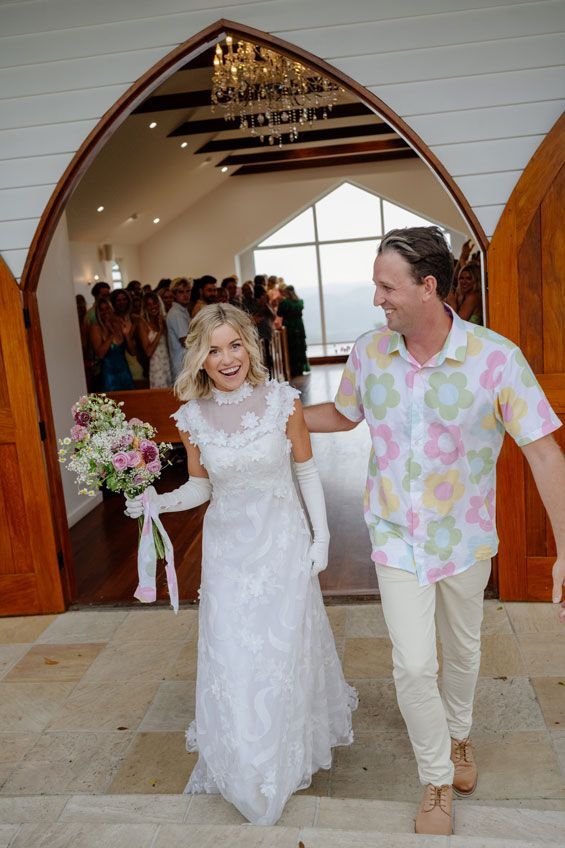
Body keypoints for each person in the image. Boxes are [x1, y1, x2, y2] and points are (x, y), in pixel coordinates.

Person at [303, 226, 565, 836]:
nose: (377, 299)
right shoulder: (370, 353)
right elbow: (343, 416)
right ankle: (437, 778)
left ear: (428, 287)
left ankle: (460, 736)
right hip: (395, 534)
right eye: (374, 285)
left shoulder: (495, 359)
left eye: (386, 287)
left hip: (466, 537)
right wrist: (267, 413)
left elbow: (546, 454)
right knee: (415, 664)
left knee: (464, 651)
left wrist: (563, 547)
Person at [125, 304, 356, 825]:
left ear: (250, 348)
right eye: (213, 348)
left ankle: (280, 758)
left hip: (282, 547)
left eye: (235, 345)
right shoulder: (190, 416)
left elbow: (308, 472)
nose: (227, 358)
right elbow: (201, 486)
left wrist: (321, 538)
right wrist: (155, 503)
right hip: (228, 555)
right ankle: (245, 767)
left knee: (280, 655)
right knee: (233, 655)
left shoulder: (282, 401)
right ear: (199, 357)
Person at [89, 296, 135, 391]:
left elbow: (132, 351)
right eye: (102, 310)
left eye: (107, 308)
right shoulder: (96, 328)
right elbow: (100, 354)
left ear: (112, 309)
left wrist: (126, 335)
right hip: (108, 376)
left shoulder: (119, 323)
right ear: (98, 313)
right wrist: (111, 335)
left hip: (124, 372)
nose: (106, 312)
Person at [110, 288, 145, 386]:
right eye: (119, 300)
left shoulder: (135, 318)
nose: (122, 302)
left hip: (137, 357)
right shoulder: (112, 320)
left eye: (124, 299)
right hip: (120, 360)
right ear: (113, 303)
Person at [138, 292, 172, 388]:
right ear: (145, 307)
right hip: (156, 367)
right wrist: (160, 332)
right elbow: (148, 352)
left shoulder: (163, 320)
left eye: (155, 303)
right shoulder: (143, 323)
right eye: (149, 304)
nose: (153, 307)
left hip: (168, 364)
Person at [277, 285, 310, 378]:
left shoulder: (285, 302)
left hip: (289, 326)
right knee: (300, 347)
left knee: (291, 348)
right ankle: (301, 369)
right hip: (299, 325)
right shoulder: (300, 302)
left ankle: (292, 370)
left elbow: (279, 313)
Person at [166, 278, 191, 382]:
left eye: (188, 291)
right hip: (182, 366)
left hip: (185, 364)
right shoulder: (176, 313)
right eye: (181, 292)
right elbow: (185, 341)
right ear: (174, 295)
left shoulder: (182, 310)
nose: (185, 295)